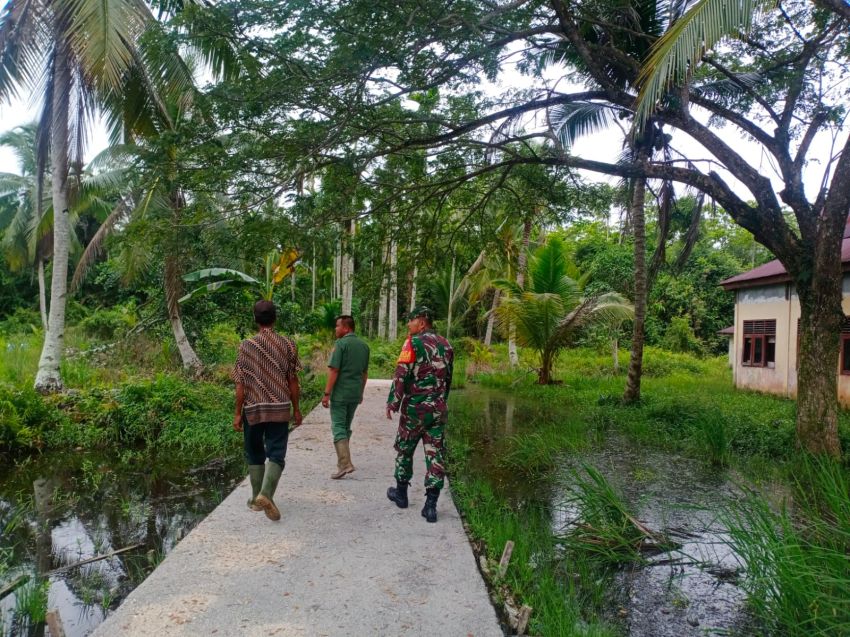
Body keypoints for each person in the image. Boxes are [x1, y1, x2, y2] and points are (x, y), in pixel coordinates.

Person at [232, 300, 303, 522]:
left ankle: (256, 499)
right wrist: (297, 408)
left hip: (253, 408)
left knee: (254, 452)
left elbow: (240, 383)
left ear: (255, 319)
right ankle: (266, 494)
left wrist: (237, 413)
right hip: (280, 407)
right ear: (275, 318)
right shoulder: (288, 344)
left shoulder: (246, 345)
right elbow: (293, 380)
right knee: (277, 452)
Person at [386, 306, 454, 523]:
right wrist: (441, 401)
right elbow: (448, 380)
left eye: (411, 320)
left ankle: (401, 494)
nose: (409, 324)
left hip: (415, 409)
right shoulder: (446, 345)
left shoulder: (412, 343)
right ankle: (431, 506)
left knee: (404, 449)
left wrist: (393, 403)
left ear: (422, 322)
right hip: (437, 409)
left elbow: (401, 375)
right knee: (435, 454)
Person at [321, 315, 370, 479]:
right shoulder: (364, 346)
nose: (335, 329)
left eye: (337, 326)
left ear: (346, 328)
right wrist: (361, 393)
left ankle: (345, 463)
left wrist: (327, 393)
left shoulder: (341, 344)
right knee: (346, 426)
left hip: (341, 394)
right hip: (355, 393)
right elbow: (364, 374)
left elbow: (334, 370)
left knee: (338, 427)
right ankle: (343, 463)